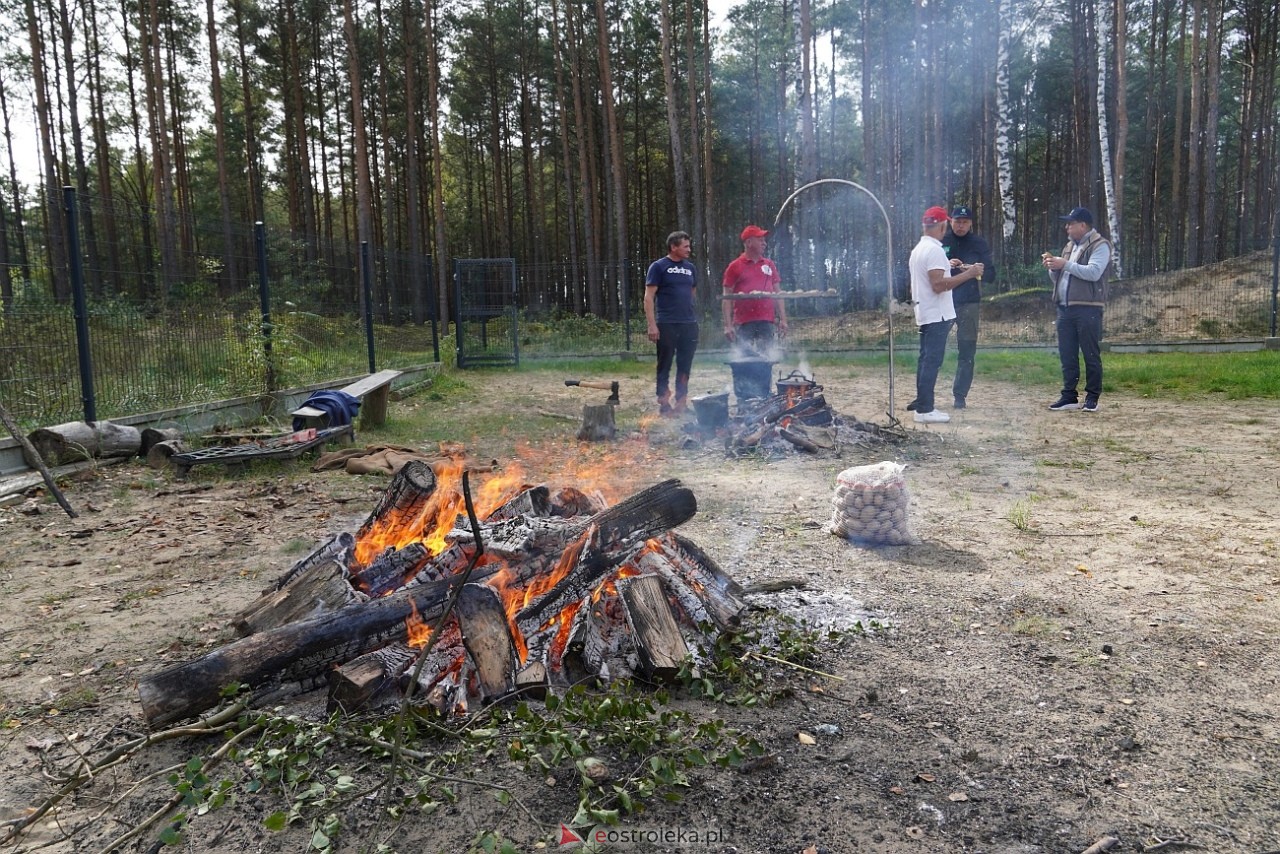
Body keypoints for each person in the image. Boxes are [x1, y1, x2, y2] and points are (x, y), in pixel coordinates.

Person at [906, 206, 983, 424]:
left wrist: (947, 266)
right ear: (942, 225)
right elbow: (939, 285)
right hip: (937, 314)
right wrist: (969, 274)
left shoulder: (920, 248)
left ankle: (923, 404)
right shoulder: (935, 250)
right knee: (932, 361)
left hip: (926, 312)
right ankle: (926, 409)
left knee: (925, 360)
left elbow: (932, 275)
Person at [1043, 206, 1110, 413]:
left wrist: (1064, 264)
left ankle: (1092, 397)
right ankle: (1069, 396)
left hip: (1088, 308)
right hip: (1065, 308)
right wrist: (1053, 268)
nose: (1067, 227)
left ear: (1083, 225)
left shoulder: (1101, 245)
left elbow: (1094, 273)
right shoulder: (1069, 246)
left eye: (1070, 224)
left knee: (1090, 353)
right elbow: (1061, 277)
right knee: (1067, 354)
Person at [941, 205, 996, 409]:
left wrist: (975, 270)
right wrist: (948, 263)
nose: (961, 225)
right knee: (934, 347)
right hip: (943, 300)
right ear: (951, 222)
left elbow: (991, 274)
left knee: (967, 351)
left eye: (965, 222)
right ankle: (925, 393)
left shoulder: (978, 243)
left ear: (971, 223)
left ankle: (960, 396)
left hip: (969, 303)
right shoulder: (942, 241)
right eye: (957, 221)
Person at [644, 231, 699, 415]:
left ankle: (681, 402)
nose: (689, 249)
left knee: (685, 364)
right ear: (673, 247)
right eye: (685, 246)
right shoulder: (658, 267)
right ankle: (663, 401)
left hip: (689, 324)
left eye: (689, 246)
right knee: (664, 363)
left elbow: (692, 293)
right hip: (667, 323)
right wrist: (652, 324)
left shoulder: (691, 268)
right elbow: (649, 297)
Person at [722, 224, 788, 353]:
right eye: (760, 240)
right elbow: (726, 298)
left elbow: (778, 293)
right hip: (744, 322)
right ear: (748, 242)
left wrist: (783, 319)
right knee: (744, 359)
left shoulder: (769, 265)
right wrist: (728, 325)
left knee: (767, 358)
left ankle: (765, 374)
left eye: (764, 240)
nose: (764, 244)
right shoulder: (734, 266)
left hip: (767, 321)